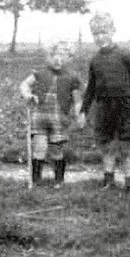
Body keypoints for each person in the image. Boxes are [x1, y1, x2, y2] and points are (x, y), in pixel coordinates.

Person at [79, 13, 130, 193]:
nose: (100, 37)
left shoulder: (124, 54)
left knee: (126, 147)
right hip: (104, 107)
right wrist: (83, 111)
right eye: (95, 33)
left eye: (103, 32)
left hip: (124, 106)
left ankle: (129, 184)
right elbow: (91, 89)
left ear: (112, 31)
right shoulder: (95, 60)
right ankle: (108, 182)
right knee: (107, 147)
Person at [18, 42, 82, 187]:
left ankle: (59, 180)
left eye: (62, 56)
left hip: (59, 119)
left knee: (56, 150)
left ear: (69, 58)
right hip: (39, 118)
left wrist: (79, 115)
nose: (58, 59)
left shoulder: (72, 77)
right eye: (54, 55)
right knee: (39, 148)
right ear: (48, 56)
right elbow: (24, 85)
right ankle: (35, 179)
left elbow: (78, 100)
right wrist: (28, 95)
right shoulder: (40, 72)